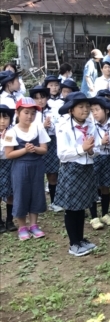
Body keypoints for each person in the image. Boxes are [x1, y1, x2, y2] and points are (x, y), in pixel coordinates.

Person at [54, 92, 101, 256]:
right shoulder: (63, 126)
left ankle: (81, 239)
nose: (85, 110)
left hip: (87, 168)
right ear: (71, 110)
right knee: (72, 208)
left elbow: (94, 150)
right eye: (81, 107)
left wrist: (93, 150)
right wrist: (82, 149)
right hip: (72, 169)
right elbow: (62, 154)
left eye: (88, 107)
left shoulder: (91, 125)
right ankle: (73, 243)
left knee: (82, 206)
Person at [3, 97, 49, 241]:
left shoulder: (38, 128)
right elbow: (8, 154)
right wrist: (25, 150)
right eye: (26, 113)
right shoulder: (11, 132)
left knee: (36, 192)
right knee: (21, 194)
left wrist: (34, 149)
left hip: (37, 166)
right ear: (17, 113)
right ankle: (22, 226)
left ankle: (34, 224)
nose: (30, 116)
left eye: (33, 113)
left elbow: (44, 149)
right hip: (20, 166)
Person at [89, 98, 110, 229]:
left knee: (106, 186)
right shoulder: (91, 126)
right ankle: (93, 217)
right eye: (92, 111)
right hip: (96, 157)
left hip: (109, 157)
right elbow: (89, 143)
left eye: (97, 110)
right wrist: (100, 143)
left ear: (106, 110)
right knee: (92, 185)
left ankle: (105, 214)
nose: (94, 113)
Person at [30, 85, 62, 212]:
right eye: (37, 98)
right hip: (36, 143)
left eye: (42, 97)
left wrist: (50, 126)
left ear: (47, 98)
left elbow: (58, 127)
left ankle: (54, 202)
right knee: (36, 175)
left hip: (51, 142)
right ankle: (37, 203)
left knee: (53, 173)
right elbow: (28, 129)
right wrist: (42, 126)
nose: (40, 100)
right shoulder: (31, 113)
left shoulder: (53, 111)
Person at [0, 105, 16, 233]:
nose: (2, 121)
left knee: (11, 193)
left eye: (5, 117)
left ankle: (10, 220)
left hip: (10, 164)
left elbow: (11, 150)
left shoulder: (12, 132)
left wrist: (5, 139)